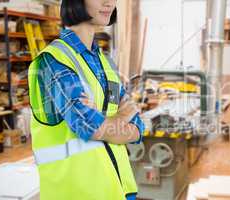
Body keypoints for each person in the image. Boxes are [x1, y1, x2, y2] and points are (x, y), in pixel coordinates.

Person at [28, 0, 144, 199]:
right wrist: (120, 116)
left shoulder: (105, 62)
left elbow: (138, 127)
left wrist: (103, 120)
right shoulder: (54, 61)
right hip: (76, 192)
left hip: (117, 190)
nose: (110, 3)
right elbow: (88, 127)